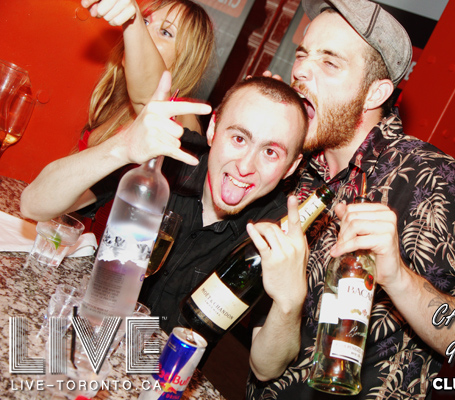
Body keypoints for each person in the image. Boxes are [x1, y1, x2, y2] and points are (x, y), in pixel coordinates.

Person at [245, 1, 455, 398]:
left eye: (329, 62)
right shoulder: (296, 165)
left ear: (375, 93)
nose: (300, 71)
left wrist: (398, 277)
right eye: (302, 55)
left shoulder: (426, 177)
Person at [20, 72, 309, 334]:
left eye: (270, 152)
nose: (245, 166)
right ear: (213, 129)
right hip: (89, 323)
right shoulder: (165, 156)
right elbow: (33, 204)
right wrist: (122, 147)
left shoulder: (278, 230)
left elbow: (265, 367)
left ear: (292, 167)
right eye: (238, 138)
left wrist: (291, 304)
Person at [79, 0, 214, 148]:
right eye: (145, 22)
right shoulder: (115, 98)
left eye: (165, 32)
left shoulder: (183, 117)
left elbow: (153, 100)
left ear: (185, 61)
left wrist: (135, 18)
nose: (145, 32)